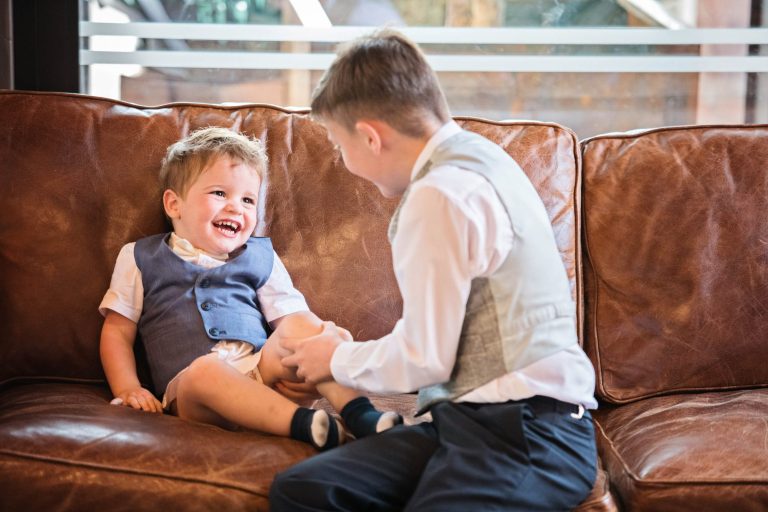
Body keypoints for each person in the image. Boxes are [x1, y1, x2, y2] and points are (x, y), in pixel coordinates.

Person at [270, 29, 598, 511]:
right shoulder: (483, 158)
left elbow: (427, 358)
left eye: (340, 146)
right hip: (470, 424)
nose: (344, 162)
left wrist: (335, 359)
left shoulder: (438, 195)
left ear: (370, 136)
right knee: (305, 491)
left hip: (530, 436)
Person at [98, 126, 400, 451]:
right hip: (193, 394)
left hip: (262, 374)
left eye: (247, 200)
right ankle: (303, 425)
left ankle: (360, 414)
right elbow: (117, 332)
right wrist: (128, 387)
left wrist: (322, 338)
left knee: (304, 328)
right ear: (174, 204)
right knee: (205, 370)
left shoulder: (260, 258)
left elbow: (292, 320)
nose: (235, 208)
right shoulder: (140, 257)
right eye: (219, 193)